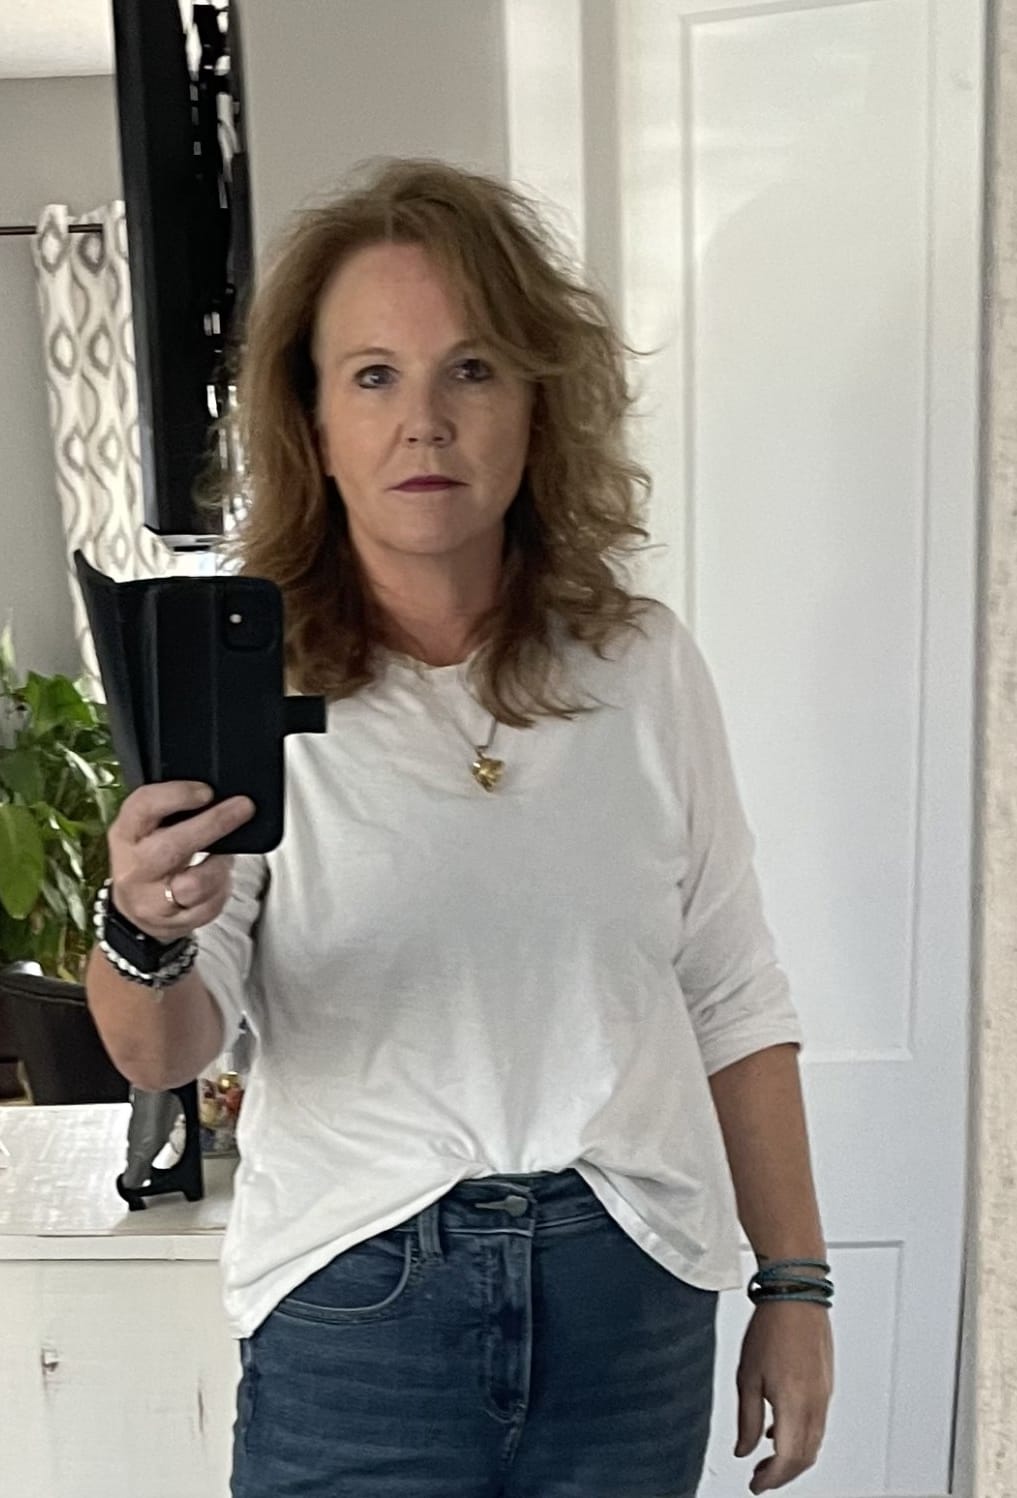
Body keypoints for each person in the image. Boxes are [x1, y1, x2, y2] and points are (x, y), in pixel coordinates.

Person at [86, 158, 834, 1497]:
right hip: (357, 1305)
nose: (423, 421)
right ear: (313, 422)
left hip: (630, 1291)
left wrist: (796, 1282)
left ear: (538, 404)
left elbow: (731, 989)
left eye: (472, 370)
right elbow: (172, 1043)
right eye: (373, 376)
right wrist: (145, 928)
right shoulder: (246, 685)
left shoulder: (641, 665)